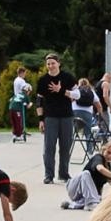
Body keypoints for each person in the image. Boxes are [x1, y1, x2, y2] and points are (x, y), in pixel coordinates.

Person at [36, 53, 77, 185]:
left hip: (66, 116)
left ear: (59, 63)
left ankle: (64, 174)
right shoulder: (43, 80)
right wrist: (41, 119)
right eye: (48, 64)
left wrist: (62, 90)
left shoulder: (68, 77)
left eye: (53, 63)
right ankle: (48, 175)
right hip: (50, 117)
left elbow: (77, 95)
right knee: (49, 147)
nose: (51, 66)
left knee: (65, 146)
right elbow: (39, 101)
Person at [62, 140, 111, 211]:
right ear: (104, 149)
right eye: (108, 152)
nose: (110, 156)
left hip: (85, 194)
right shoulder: (98, 157)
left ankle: (72, 205)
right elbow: (100, 168)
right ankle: (90, 203)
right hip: (75, 188)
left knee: (98, 199)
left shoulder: (108, 166)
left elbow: (110, 183)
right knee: (86, 174)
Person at [72, 78, 99, 143]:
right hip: (88, 113)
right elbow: (98, 104)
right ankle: (89, 151)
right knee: (88, 133)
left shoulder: (76, 90)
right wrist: (99, 114)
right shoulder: (91, 91)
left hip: (75, 112)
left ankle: (68, 149)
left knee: (71, 131)